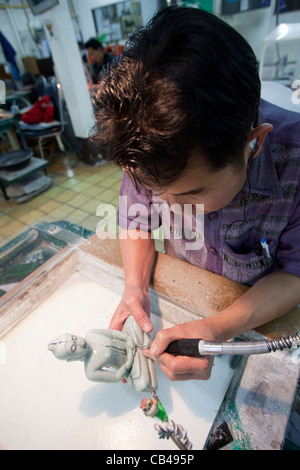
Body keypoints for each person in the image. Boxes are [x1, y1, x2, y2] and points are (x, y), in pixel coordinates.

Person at [91, 6, 300, 382]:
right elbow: (135, 220)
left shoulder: (295, 164)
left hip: (258, 314)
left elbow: (294, 273)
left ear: (253, 144)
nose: (167, 208)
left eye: (191, 194)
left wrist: (218, 328)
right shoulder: (147, 146)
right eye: (155, 191)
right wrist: (135, 289)